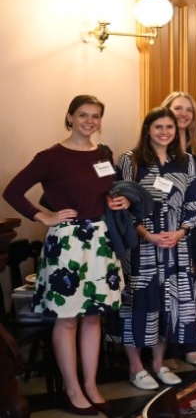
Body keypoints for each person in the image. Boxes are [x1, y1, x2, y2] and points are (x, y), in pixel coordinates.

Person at [3, 95, 130, 414]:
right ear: (70, 117)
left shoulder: (102, 153)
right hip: (68, 243)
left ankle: (90, 384)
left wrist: (119, 202)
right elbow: (12, 191)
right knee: (68, 319)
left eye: (96, 116)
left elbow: (108, 192)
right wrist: (42, 216)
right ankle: (72, 390)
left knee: (93, 317)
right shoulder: (51, 156)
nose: (90, 121)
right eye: (83, 115)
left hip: (100, 240)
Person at [117, 107, 196, 391]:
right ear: (147, 130)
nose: (165, 132)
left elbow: (195, 203)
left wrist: (181, 231)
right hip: (141, 248)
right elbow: (123, 204)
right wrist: (147, 234)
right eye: (158, 127)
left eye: (169, 127)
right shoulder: (130, 160)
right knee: (138, 303)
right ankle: (135, 367)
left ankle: (158, 363)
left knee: (169, 304)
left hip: (176, 247)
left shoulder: (186, 160)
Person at [159, 91, 196, 366]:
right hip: (163, 228)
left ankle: (194, 338)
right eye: (177, 108)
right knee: (168, 285)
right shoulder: (156, 146)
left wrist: (189, 219)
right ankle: (168, 346)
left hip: (195, 226)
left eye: (188, 110)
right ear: (166, 110)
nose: (183, 113)